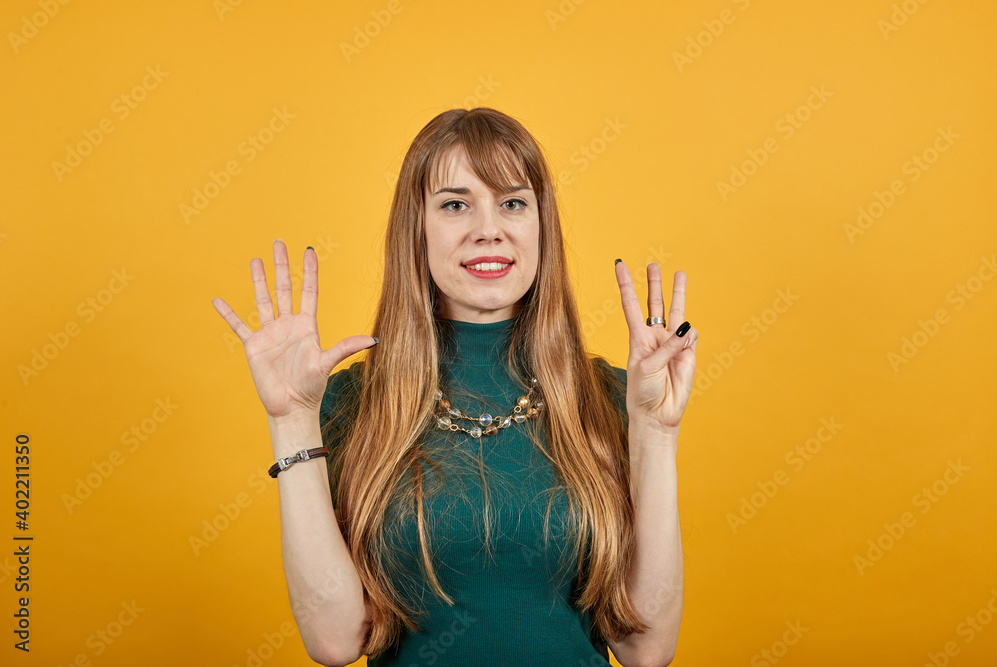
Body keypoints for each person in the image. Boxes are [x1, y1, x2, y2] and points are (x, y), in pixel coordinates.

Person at [212, 107, 698, 667]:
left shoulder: (614, 396)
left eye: (512, 203)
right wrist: (291, 420)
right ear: (416, 229)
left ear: (542, 226)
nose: (488, 228)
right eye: (455, 204)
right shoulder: (350, 403)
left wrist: (656, 433)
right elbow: (335, 641)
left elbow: (647, 648)